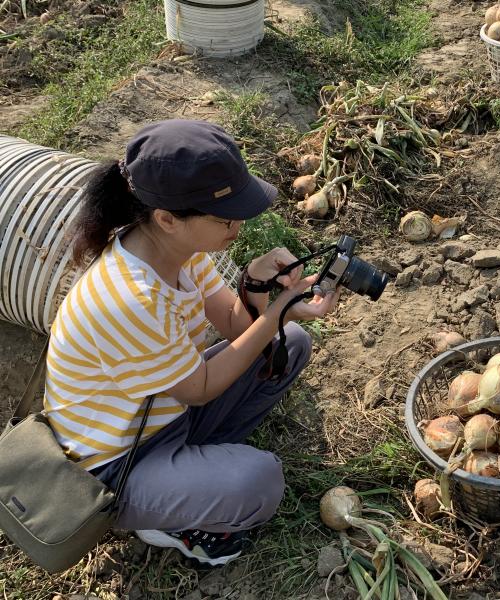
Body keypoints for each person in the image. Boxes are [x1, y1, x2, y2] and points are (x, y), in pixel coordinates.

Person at [42, 119, 339, 566]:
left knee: (288, 342)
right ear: (167, 219)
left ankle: (193, 475)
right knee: (260, 483)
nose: (237, 226)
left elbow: (237, 326)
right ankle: (166, 517)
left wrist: (257, 287)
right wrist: (278, 310)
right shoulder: (131, 298)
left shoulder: (177, 252)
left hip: (163, 415)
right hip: (117, 464)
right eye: (225, 218)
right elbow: (201, 386)